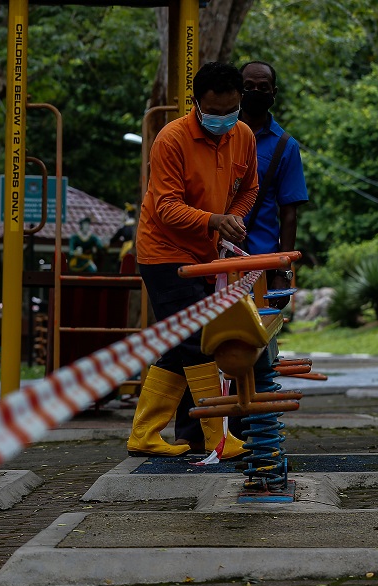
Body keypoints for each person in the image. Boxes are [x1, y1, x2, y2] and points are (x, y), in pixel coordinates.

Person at [128, 61, 258, 459]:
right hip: (164, 253)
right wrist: (214, 220)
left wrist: (232, 218)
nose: (223, 119)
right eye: (214, 111)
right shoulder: (171, 139)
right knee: (197, 342)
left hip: (206, 255)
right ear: (197, 104)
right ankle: (219, 437)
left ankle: (144, 435)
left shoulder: (245, 136)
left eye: (231, 110)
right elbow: (165, 207)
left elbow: (249, 188)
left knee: (178, 345)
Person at [238, 60, 308, 307]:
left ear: (273, 94)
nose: (255, 92)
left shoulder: (285, 146)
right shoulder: (221, 134)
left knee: (259, 337)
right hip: (216, 260)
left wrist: (282, 272)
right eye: (248, 86)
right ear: (238, 90)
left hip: (262, 262)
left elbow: (289, 214)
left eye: (262, 87)